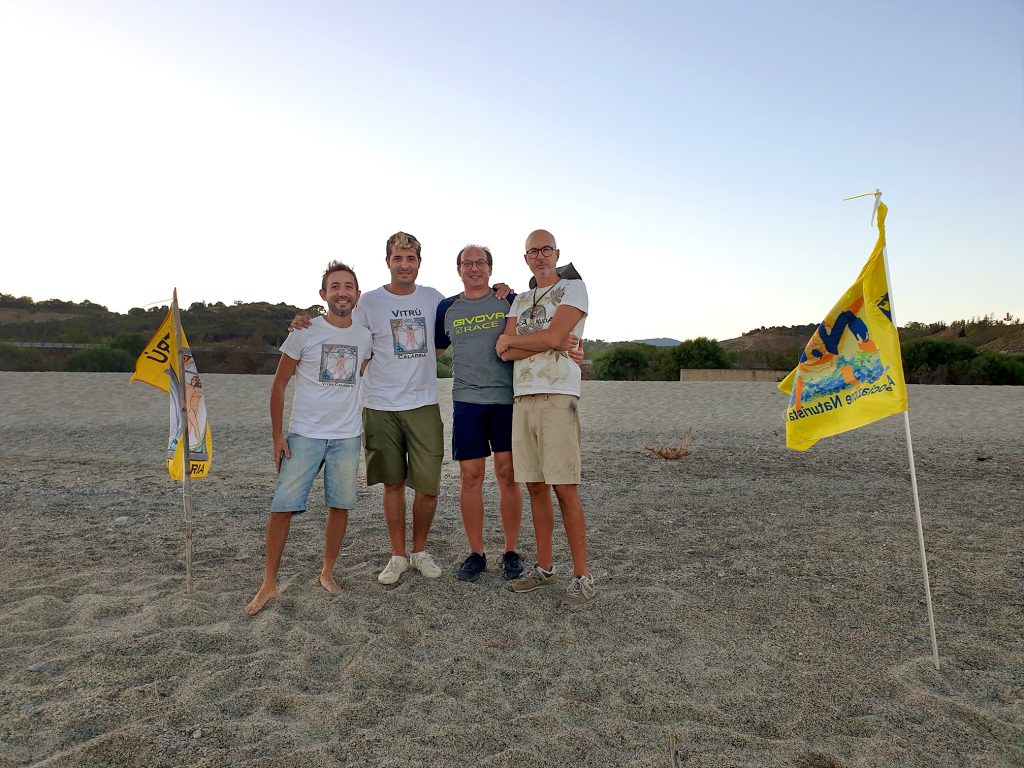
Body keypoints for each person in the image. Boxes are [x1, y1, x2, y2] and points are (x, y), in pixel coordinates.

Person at [245, 261, 372, 616]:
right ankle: (269, 583)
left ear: (357, 295)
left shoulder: (364, 336)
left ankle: (327, 572)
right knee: (282, 506)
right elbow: (279, 384)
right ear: (323, 294)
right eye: (335, 286)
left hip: (346, 436)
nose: (342, 292)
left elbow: (362, 373)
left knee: (340, 504)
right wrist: (276, 436)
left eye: (348, 286)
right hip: (304, 435)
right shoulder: (304, 331)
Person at [495, 229, 594, 606]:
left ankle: (582, 576)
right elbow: (503, 352)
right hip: (523, 397)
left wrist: (526, 341)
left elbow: (554, 336)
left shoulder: (573, 289)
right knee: (535, 485)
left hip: (559, 395)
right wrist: (543, 340)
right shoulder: (519, 299)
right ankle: (545, 568)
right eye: (533, 251)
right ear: (525, 259)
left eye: (546, 249)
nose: (540, 256)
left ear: (556, 253)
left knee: (564, 486)